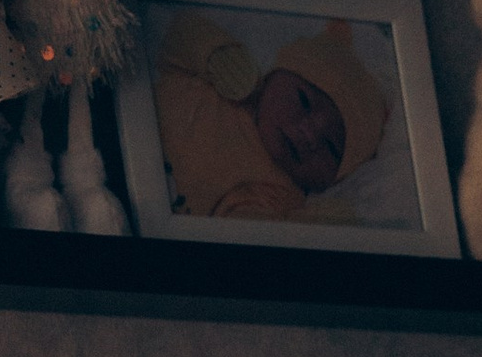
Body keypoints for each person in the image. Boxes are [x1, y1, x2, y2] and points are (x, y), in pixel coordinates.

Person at [154, 14, 389, 219]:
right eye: (304, 101)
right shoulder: (231, 84)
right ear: (274, 76)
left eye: (331, 146)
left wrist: (318, 225)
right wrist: (218, 56)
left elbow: (244, 228)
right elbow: (175, 36)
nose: (309, 135)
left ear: (334, 179)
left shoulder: (282, 194)